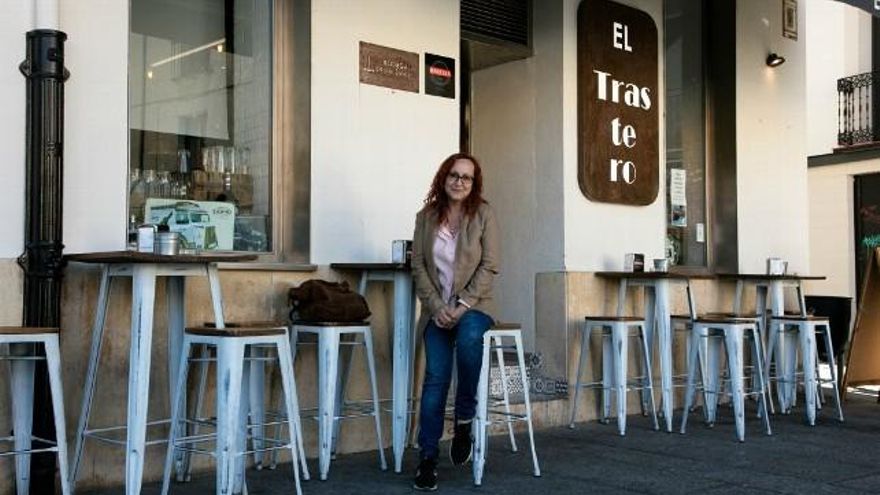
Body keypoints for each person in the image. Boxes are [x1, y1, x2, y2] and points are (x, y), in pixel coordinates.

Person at [411, 152, 500, 491]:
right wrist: (436, 307)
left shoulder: (484, 215)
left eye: (467, 177)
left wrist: (461, 306)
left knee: (468, 338)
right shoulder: (426, 217)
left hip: (474, 308)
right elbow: (418, 265)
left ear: (474, 183)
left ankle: (464, 418)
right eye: (454, 175)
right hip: (436, 310)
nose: (459, 181)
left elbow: (490, 265)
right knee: (435, 379)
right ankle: (427, 459)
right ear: (443, 178)